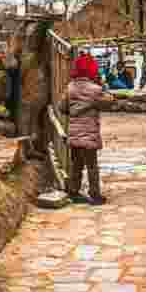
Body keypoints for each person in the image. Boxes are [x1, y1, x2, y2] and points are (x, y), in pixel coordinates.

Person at [64, 51, 114, 205]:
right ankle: (95, 194)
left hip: (74, 134)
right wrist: (102, 87)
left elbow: (61, 107)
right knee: (92, 166)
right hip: (89, 135)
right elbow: (109, 102)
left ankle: (73, 192)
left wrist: (74, 109)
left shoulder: (70, 88)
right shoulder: (95, 90)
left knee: (76, 164)